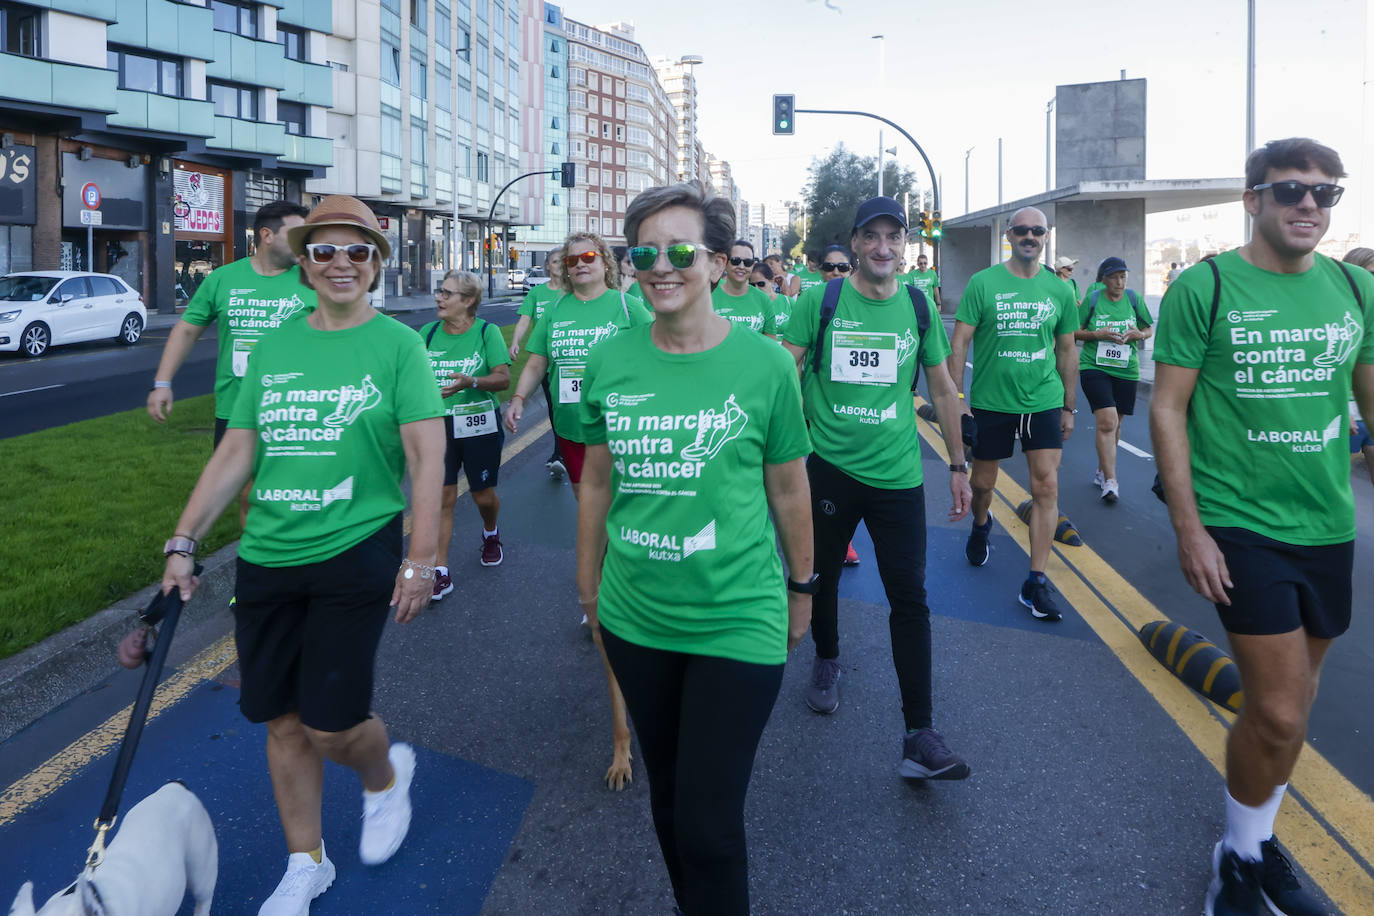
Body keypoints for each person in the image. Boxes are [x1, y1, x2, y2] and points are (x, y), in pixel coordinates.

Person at [157, 195, 446, 915]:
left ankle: (384, 778)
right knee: (280, 718)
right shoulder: (280, 343)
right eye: (325, 251)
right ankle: (305, 862)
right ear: (306, 264)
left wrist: (422, 556)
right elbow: (238, 449)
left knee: (331, 723)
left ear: (376, 263)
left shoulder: (399, 345)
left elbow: (427, 456)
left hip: (358, 547)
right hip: (269, 554)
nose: (341, 263)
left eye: (357, 251)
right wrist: (184, 539)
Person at [577, 181, 814, 915]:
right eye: (643, 252)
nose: (661, 266)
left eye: (681, 250)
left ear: (715, 263)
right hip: (636, 617)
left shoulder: (767, 365)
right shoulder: (611, 360)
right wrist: (589, 589)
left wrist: (802, 587)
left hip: (736, 619)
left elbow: (788, 491)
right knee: (672, 801)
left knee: (709, 826)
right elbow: (595, 485)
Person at [1152, 138, 1374, 916]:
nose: (1309, 205)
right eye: (1290, 191)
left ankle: (1257, 835)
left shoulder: (1354, 288)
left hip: (1327, 524)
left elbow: (1372, 405)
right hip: (1240, 524)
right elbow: (1169, 409)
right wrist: (1190, 528)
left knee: (1292, 712)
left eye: (1325, 193)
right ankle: (1239, 862)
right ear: (1254, 201)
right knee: (1278, 711)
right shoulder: (1207, 287)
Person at [782, 195, 973, 779]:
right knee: (824, 579)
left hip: (898, 475)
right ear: (857, 243)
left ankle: (920, 733)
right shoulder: (821, 300)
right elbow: (782, 371)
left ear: (905, 245)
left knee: (909, 597)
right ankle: (828, 658)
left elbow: (941, 390)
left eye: (895, 237)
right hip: (829, 467)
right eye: (873, 237)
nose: (884, 247)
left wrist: (959, 466)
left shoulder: (918, 307)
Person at [950, 207, 1079, 622]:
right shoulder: (983, 283)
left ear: (1046, 236)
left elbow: (1065, 350)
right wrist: (958, 398)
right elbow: (960, 343)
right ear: (1009, 235)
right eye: (1021, 230)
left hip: (1043, 399)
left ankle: (1035, 582)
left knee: (1046, 487)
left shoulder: (1059, 290)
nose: (1029, 236)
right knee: (983, 484)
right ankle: (981, 523)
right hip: (991, 402)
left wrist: (1069, 405)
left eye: (1036, 231)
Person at [148, 201, 313, 524]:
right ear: (267, 234)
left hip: (297, 408)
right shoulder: (224, 279)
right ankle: (256, 563)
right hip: (237, 409)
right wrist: (162, 383)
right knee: (248, 495)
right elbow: (187, 330)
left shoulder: (311, 281)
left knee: (295, 497)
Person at [504, 232, 651, 493]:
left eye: (588, 257)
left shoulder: (628, 307)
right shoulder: (556, 309)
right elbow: (538, 362)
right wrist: (518, 398)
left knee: (616, 506)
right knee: (584, 502)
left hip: (618, 429)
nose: (580, 264)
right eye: (572, 261)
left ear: (605, 262)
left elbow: (659, 358)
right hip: (570, 427)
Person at [422, 270, 511, 593]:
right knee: (443, 496)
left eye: (447, 293)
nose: (439, 298)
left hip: (478, 422)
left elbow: (502, 378)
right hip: (437, 425)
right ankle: (439, 571)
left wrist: (471, 381)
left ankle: (490, 532)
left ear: (469, 300)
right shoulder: (428, 333)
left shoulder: (487, 332)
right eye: (440, 291)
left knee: (481, 495)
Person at [1073, 257, 1152, 503]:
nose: (1119, 282)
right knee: (1106, 422)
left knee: (1116, 425)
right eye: (1114, 277)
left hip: (1126, 369)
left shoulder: (1133, 299)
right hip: (1094, 366)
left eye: (1123, 277)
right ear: (1104, 279)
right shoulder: (1093, 300)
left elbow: (1148, 328)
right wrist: (1097, 334)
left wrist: (1139, 334)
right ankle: (1111, 481)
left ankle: (1101, 471)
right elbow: (1074, 330)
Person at [510, 248, 568, 477]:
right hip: (543, 359)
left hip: (567, 361)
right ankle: (559, 452)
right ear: (547, 266)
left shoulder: (572, 293)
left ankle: (567, 452)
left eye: (563, 262)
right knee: (554, 407)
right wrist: (515, 342)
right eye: (555, 261)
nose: (559, 265)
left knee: (566, 407)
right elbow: (524, 321)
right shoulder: (537, 293)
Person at [712, 239, 778, 337]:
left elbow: (770, 344)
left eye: (747, 262)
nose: (741, 266)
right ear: (725, 262)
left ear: (753, 266)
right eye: (735, 261)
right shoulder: (709, 294)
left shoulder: (763, 300)